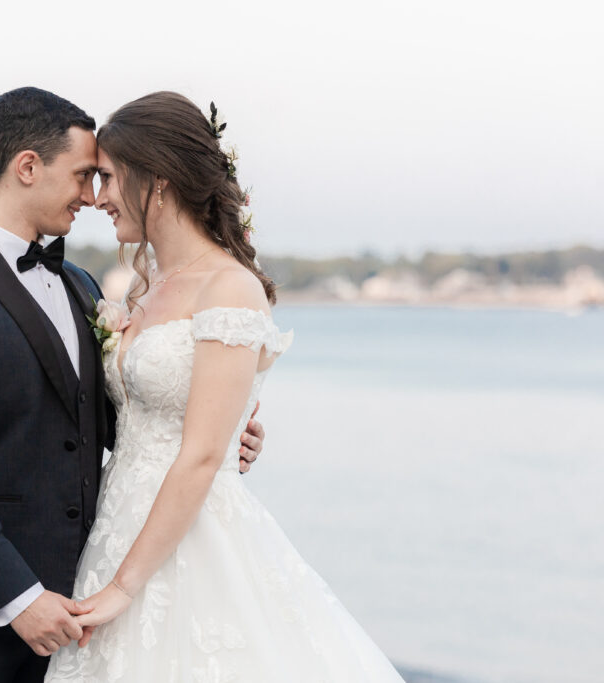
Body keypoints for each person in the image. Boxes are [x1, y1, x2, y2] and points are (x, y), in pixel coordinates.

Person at [0, 87, 265, 683]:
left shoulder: (82, 287)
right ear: (28, 167)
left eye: (102, 179)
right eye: (84, 176)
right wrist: (17, 598)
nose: (92, 197)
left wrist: (215, 432)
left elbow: (112, 420)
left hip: (80, 608)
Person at [44, 92, 406, 682]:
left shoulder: (230, 288)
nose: (98, 197)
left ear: (156, 180)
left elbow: (205, 452)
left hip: (190, 540)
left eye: (108, 178)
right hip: (118, 522)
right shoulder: (142, 290)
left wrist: (123, 588)